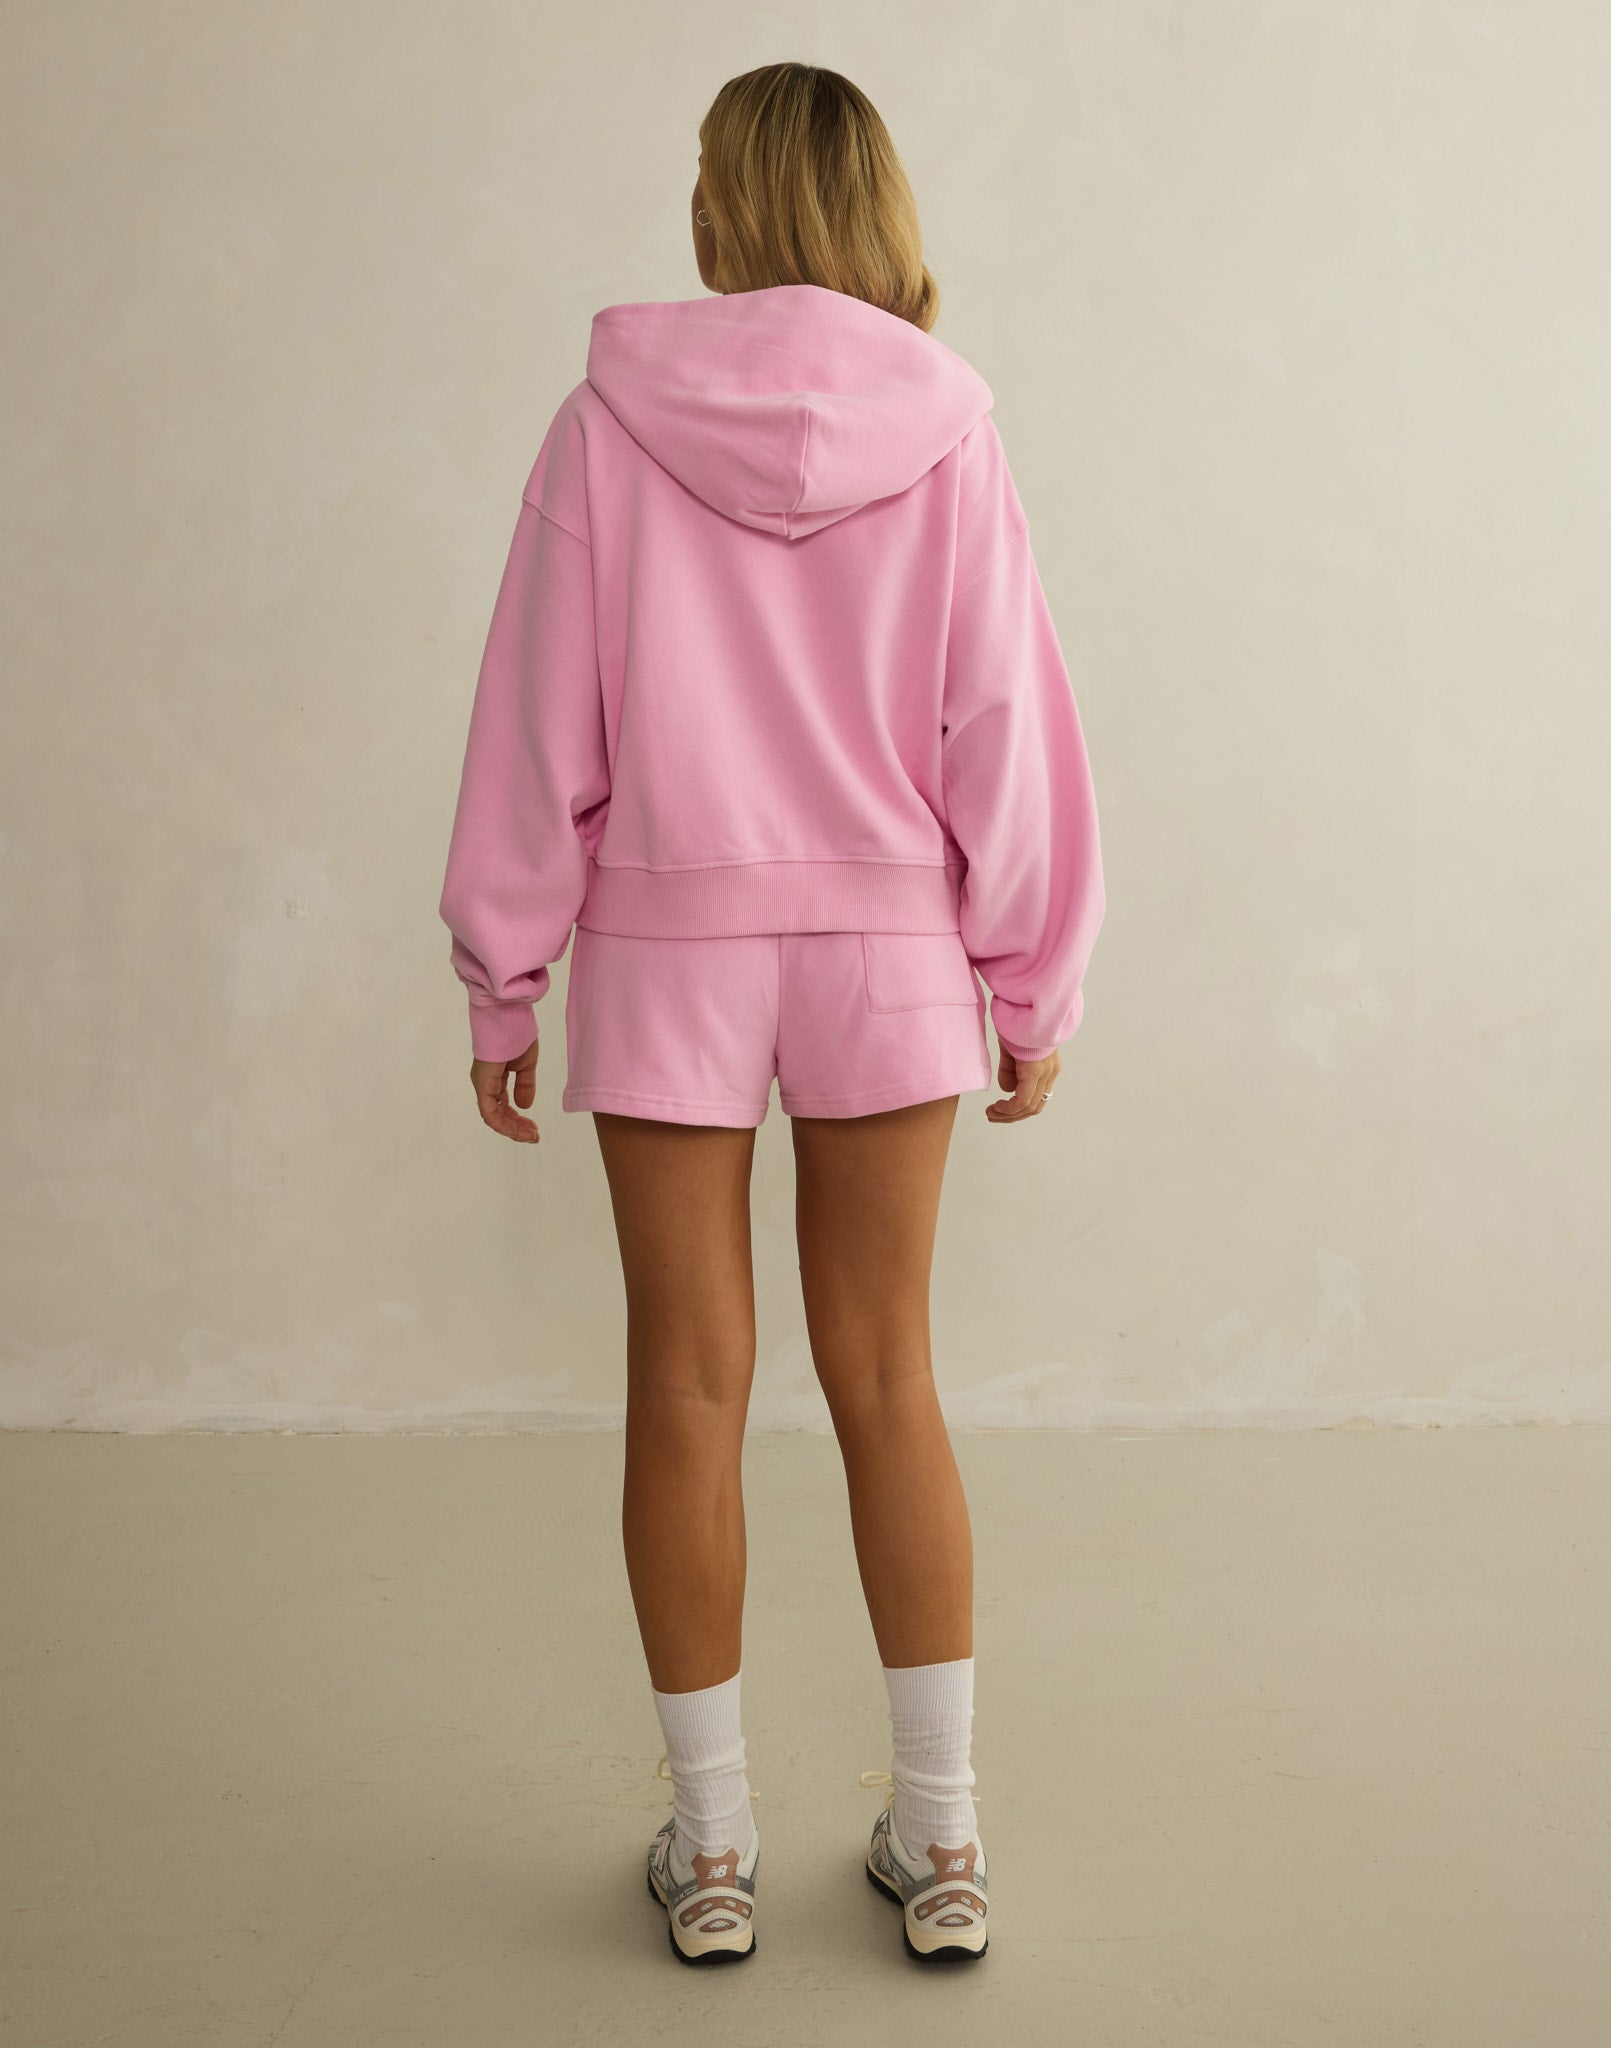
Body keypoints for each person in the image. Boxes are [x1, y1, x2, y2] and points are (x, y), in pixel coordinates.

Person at [438, 60, 1104, 1967]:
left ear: (729, 207)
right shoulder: (952, 431)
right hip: (890, 947)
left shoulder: (606, 424)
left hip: (671, 945)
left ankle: (716, 1848)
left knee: (686, 1383)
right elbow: (1003, 723)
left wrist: (504, 972)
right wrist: (1031, 972)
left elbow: (538, 720)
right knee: (888, 1374)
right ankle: (944, 1839)